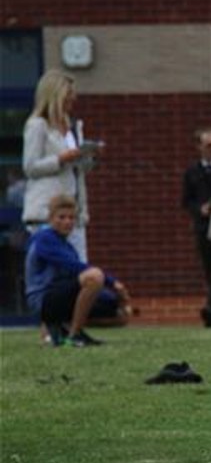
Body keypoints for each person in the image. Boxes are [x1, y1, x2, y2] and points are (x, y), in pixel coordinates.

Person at [24, 194, 131, 347]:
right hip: (43, 299)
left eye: (71, 218)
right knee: (94, 276)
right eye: (61, 217)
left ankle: (60, 329)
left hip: (60, 296)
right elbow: (75, 267)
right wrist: (113, 283)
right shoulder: (44, 238)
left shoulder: (68, 246)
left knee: (119, 315)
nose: (67, 222)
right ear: (50, 218)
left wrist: (117, 299)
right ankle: (74, 336)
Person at [22, 69, 100, 262]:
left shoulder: (72, 127)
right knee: (56, 273)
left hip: (74, 212)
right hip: (47, 212)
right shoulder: (37, 126)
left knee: (80, 268)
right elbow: (30, 167)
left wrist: (89, 156)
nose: (71, 102)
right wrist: (61, 159)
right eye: (68, 97)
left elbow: (78, 169)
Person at [181, 127, 211, 327]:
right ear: (199, 147)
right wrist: (200, 209)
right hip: (203, 226)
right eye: (209, 145)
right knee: (210, 270)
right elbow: (186, 200)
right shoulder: (192, 172)